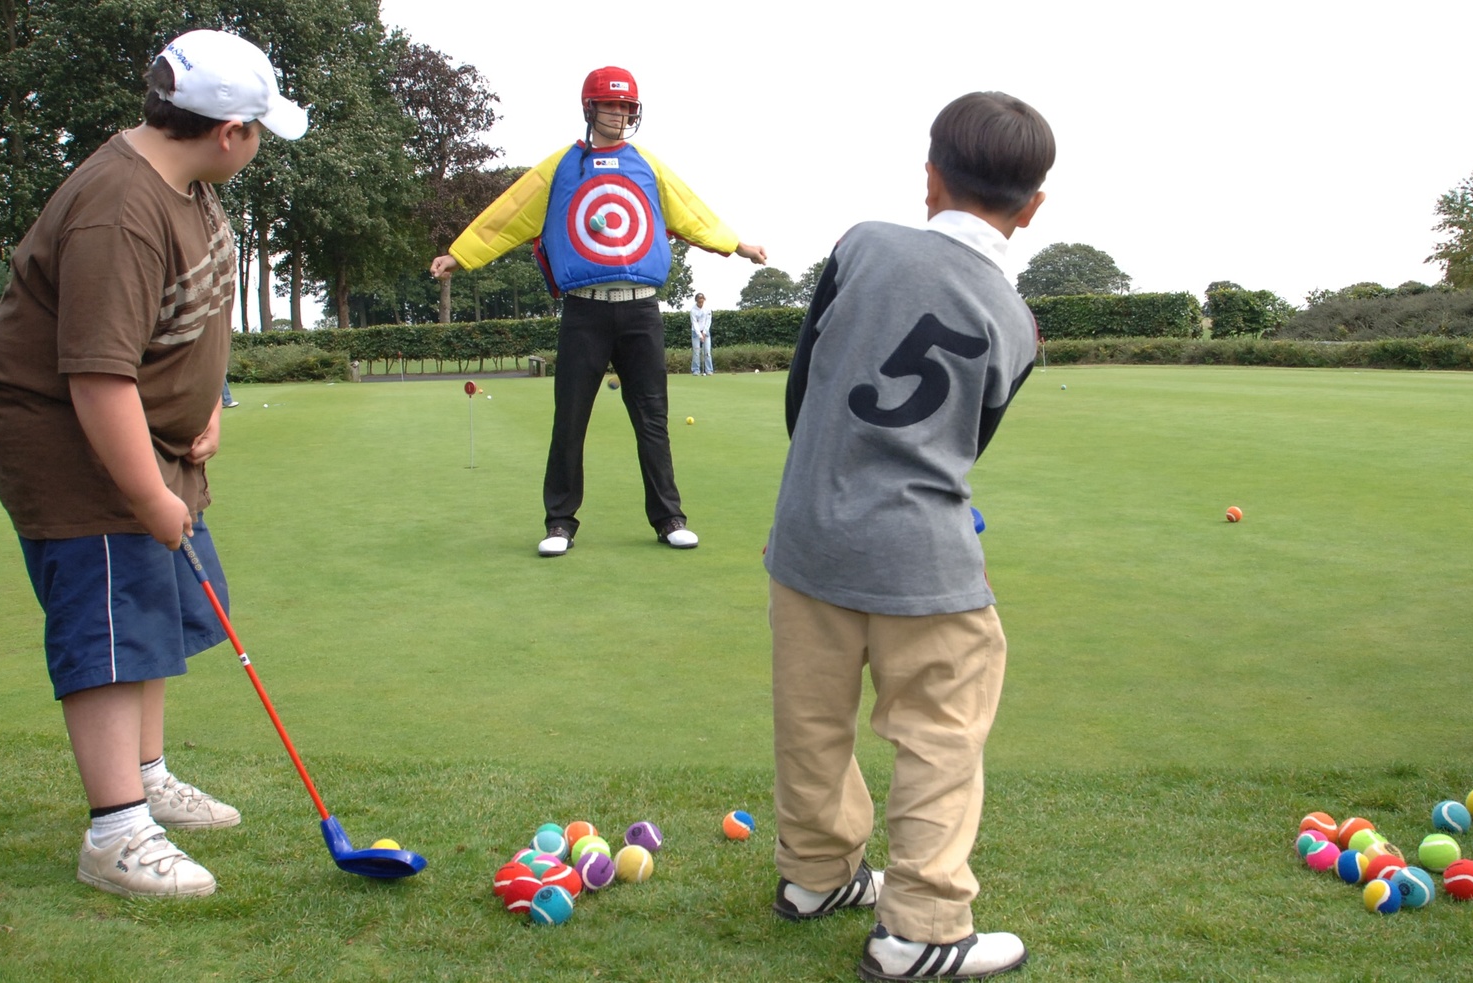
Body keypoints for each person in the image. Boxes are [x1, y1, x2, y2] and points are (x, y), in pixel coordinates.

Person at [0, 29, 307, 897]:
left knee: (154, 611)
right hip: (74, 445)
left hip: (152, 437)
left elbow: (188, 318)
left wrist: (204, 405)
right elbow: (95, 377)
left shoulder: (188, 187)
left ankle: (148, 775)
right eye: (259, 133)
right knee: (111, 628)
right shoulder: (119, 208)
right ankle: (116, 832)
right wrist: (146, 494)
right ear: (230, 131)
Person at [764, 91, 1051, 982]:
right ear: (1034, 206)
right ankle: (922, 926)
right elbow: (967, 446)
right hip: (924, 560)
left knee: (811, 719)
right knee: (940, 732)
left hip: (808, 535)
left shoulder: (861, 244)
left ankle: (816, 876)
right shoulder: (1021, 324)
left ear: (930, 177)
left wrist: (826, 487)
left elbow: (802, 391)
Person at [430, 67, 765, 556]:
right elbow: (508, 213)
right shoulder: (561, 166)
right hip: (584, 312)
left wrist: (738, 246)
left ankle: (669, 517)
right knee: (570, 418)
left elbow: (692, 213)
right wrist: (461, 254)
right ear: (591, 109)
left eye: (628, 107)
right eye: (613, 106)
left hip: (641, 311)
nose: (622, 114)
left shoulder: (647, 165)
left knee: (652, 417)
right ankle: (560, 522)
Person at [689, 292, 713, 375]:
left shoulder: (707, 309)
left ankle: (709, 370)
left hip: (705, 332)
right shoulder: (693, 310)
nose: (701, 303)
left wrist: (705, 332)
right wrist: (699, 334)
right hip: (696, 332)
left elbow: (708, 321)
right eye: (699, 302)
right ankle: (695, 370)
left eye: (702, 301)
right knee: (696, 351)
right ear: (696, 301)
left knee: (707, 351)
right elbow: (694, 323)